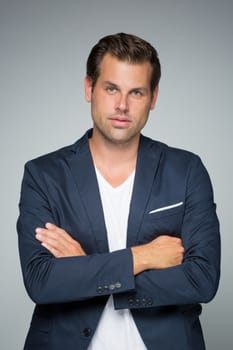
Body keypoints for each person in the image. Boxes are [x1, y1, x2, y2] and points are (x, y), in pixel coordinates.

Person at [17, 33, 220, 350]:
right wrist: (143, 257)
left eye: (136, 92)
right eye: (111, 88)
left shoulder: (186, 171)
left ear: (153, 98)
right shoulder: (43, 175)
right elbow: (42, 281)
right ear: (89, 89)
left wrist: (86, 267)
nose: (122, 105)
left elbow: (201, 280)